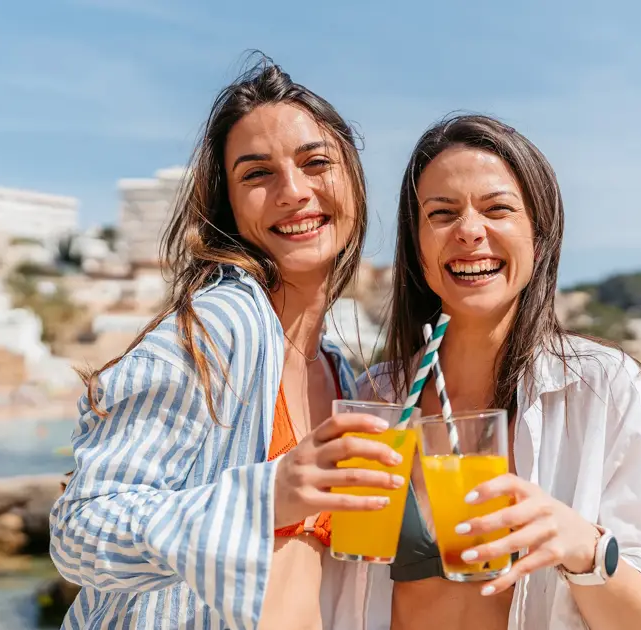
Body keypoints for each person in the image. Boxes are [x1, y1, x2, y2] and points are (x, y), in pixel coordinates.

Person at [49, 55, 405, 630]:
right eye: (257, 174)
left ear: (353, 181)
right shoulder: (219, 328)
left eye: (317, 163)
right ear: (230, 208)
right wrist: (266, 499)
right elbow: (79, 532)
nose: (294, 191)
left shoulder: (341, 372)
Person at [354, 114, 641, 630]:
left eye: (498, 209)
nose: (470, 231)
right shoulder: (375, 397)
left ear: (538, 237)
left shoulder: (601, 388)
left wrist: (582, 546)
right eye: (442, 213)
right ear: (418, 248)